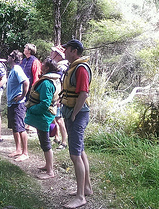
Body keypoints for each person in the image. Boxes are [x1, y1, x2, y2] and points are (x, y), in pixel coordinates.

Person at [61, 39, 93, 209]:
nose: (64, 51)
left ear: (74, 51)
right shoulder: (73, 66)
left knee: (75, 155)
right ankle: (86, 188)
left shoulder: (80, 68)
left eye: (67, 49)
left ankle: (80, 197)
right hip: (73, 113)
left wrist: (73, 114)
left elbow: (83, 94)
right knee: (80, 151)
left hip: (78, 114)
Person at [24, 58, 61, 180]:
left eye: (43, 64)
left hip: (44, 117)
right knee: (43, 141)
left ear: (47, 68)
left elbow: (45, 103)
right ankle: (47, 165)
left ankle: (50, 171)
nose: (41, 65)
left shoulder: (46, 83)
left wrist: (31, 109)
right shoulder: (52, 80)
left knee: (45, 143)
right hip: (44, 116)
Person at [6, 50, 30, 162]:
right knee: (15, 128)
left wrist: (22, 96)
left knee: (20, 128)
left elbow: (26, 82)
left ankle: (25, 153)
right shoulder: (13, 70)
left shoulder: (17, 69)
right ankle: (18, 149)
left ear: (14, 59)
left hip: (18, 105)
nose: (8, 57)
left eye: (10, 56)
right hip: (11, 104)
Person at [50, 45, 69, 150]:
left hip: (58, 97)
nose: (51, 54)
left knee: (59, 119)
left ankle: (64, 141)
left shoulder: (62, 67)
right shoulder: (57, 66)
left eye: (53, 52)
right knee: (53, 117)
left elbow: (62, 84)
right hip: (55, 96)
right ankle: (56, 137)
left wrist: (59, 98)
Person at [20, 43, 42, 134]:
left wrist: (34, 88)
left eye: (25, 48)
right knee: (24, 105)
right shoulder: (24, 60)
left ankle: (31, 126)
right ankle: (25, 124)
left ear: (29, 50)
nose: (24, 49)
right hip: (23, 87)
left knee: (31, 105)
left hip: (31, 88)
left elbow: (36, 76)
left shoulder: (35, 61)